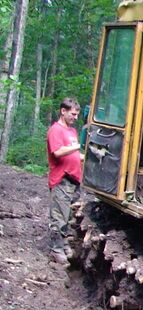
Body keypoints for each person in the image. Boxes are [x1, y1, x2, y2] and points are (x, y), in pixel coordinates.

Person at [46, 98, 83, 264]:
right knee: (59, 216)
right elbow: (58, 152)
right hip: (62, 179)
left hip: (74, 180)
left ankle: (65, 244)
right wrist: (77, 147)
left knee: (69, 216)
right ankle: (56, 249)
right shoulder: (56, 130)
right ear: (63, 111)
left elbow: (73, 154)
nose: (75, 117)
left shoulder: (72, 131)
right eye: (73, 114)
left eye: (77, 115)